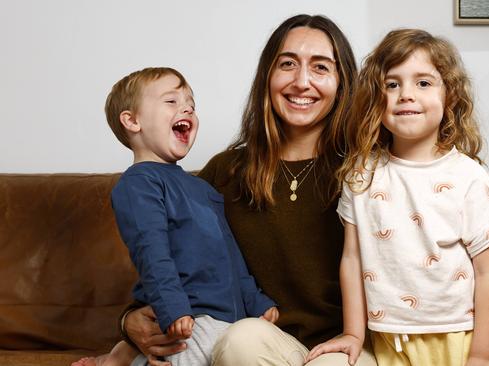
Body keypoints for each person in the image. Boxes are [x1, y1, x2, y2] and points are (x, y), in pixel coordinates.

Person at [120, 15, 378, 366]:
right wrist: (128, 321)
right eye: (287, 64)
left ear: (342, 81)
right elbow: (165, 254)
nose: (302, 82)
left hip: (343, 348)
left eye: (320, 68)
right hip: (253, 348)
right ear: (267, 77)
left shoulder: (367, 172)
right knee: (241, 339)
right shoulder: (225, 173)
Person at [306, 29, 489, 366]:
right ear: (376, 97)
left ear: (450, 98)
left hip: (464, 341)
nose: (406, 95)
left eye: (424, 83)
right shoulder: (361, 174)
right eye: (392, 84)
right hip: (391, 343)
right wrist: (354, 334)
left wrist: (482, 355)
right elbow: (353, 259)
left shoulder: (468, 177)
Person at [72, 67, 278, 366]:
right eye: (171, 101)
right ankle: (122, 356)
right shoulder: (139, 183)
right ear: (132, 120)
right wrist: (172, 307)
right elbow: (151, 251)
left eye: (191, 105)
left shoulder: (202, 187)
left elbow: (231, 255)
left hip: (228, 322)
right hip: (189, 318)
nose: (186, 108)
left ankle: (122, 356)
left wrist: (255, 301)